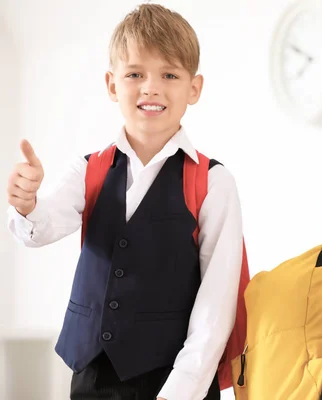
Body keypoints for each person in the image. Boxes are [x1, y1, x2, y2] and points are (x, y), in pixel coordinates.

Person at [6, 4, 245, 399]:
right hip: (91, 377)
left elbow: (216, 306)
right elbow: (37, 230)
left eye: (169, 74)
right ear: (112, 84)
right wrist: (26, 203)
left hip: (172, 379)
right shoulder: (88, 170)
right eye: (135, 74)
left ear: (194, 88)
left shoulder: (212, 182)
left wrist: (180, 390)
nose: (150, 87)